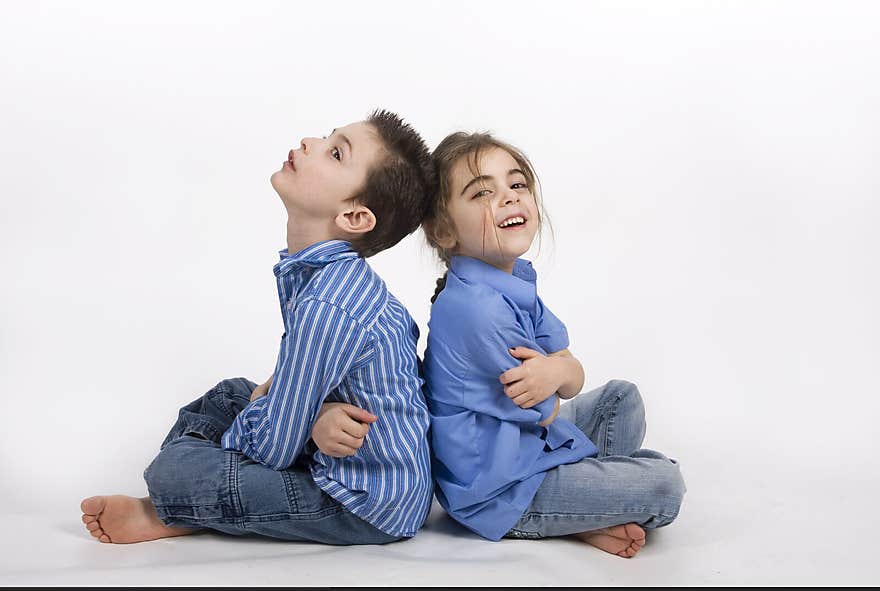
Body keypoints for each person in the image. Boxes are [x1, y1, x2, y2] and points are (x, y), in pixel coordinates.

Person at [80, 109, 436, 546]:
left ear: (354, 217)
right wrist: (307, 415)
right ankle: (212, 502)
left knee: (173, 473)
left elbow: (272, 448)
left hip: (363, 500)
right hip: (331, 446)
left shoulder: (329, 304)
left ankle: (173, 510)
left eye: (335, 153)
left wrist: (282, 414)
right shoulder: (318, 274)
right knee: (228, 393)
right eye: (327, 137)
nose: (310, 142)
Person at [420, 132, 686, 557]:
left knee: (622, 398)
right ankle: (577, 509)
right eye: (483, 192)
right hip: (501, 489)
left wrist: (559, 371)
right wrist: (560, 373)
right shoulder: (474, 309)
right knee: (665, 485)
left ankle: (585, 510)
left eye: (517, 184)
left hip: (528, 445)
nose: (509, 198)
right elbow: (549, 410)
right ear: (443, 230)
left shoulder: (514, 279)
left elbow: (570, 374)